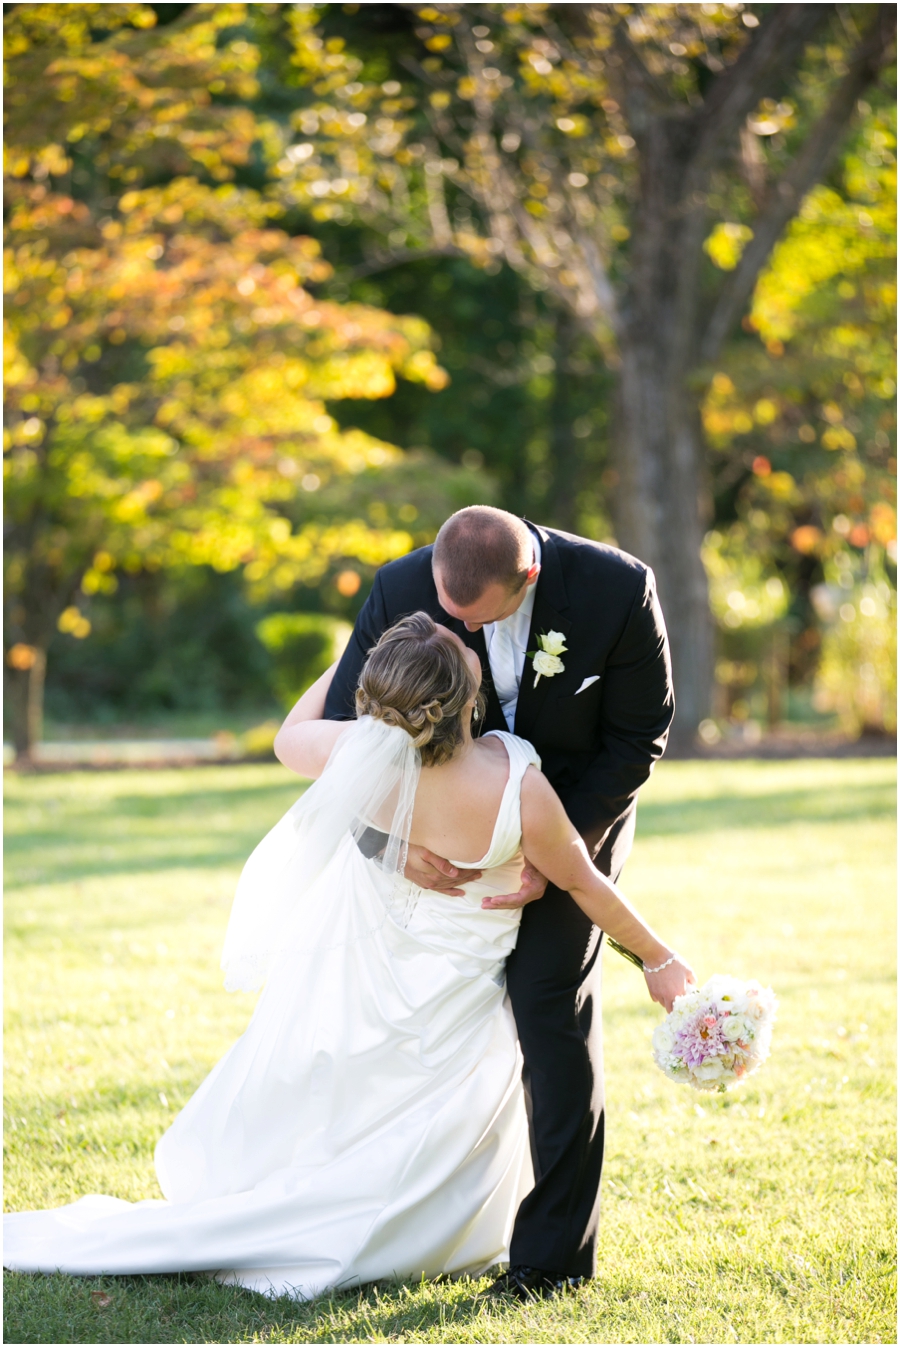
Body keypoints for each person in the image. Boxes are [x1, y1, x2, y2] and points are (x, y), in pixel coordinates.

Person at [4, 613, 693, 1298]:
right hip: (462, 983)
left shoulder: (359, 755)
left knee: (356, 1087)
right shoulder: (515, 780)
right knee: (435, 1102)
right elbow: (582, 882)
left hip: (371, 966)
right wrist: (658, 956)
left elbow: (287, 737)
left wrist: (347, 662)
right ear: (464, 695)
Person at [324, 506, 676, 1299]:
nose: (452, 625)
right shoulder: (403, 586)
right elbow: (347, 731)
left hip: (574, 816)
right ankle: (412, 1213)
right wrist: (389, 841)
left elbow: (638, 735)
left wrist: (554, 851)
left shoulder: (618, 588)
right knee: (422, 1017)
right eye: (446, 611)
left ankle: (550, 1260)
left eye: (471, 617)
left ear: (529, 580)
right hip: (441, 834)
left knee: (547, 1003)